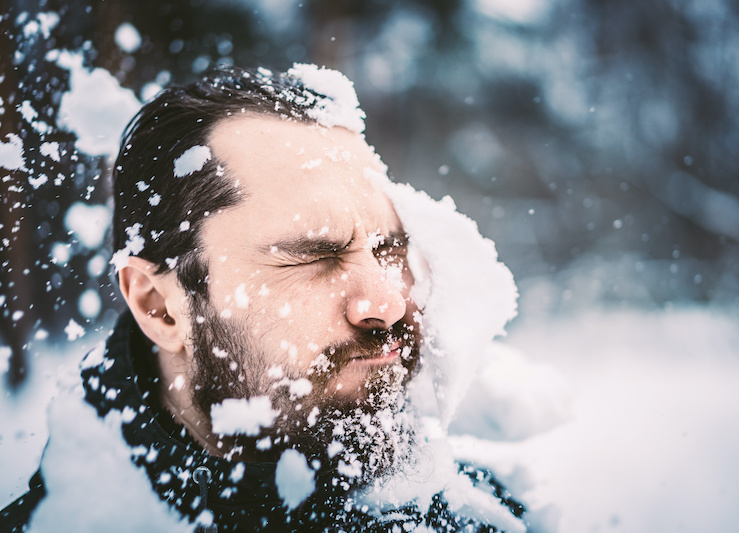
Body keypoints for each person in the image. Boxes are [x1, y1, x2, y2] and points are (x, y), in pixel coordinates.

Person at [1, 65, 526, 532]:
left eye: (388, 247)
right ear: (160, 306)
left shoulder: (480, 514)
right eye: (314, 255)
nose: (386, 303)